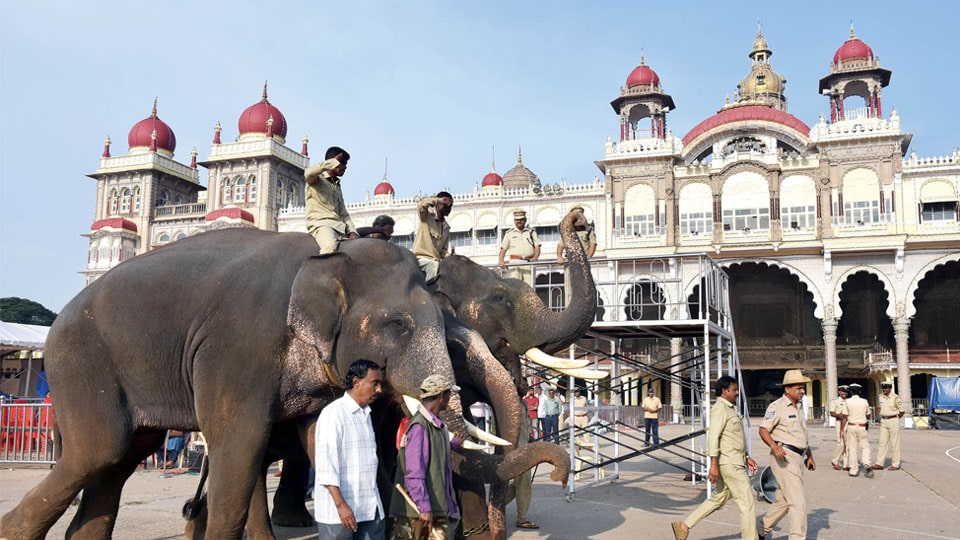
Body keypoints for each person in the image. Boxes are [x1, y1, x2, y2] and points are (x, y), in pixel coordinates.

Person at [671, 376, 758, 540]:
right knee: (747, 504)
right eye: (734, 390)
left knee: (719, 497)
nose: (737, 392)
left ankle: (684, 526)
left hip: (733, 460)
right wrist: (713, 465)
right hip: (729, 463)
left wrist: (746, 457)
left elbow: (732, 439)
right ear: (724, 391)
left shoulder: (729, 409)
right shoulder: (720, 409)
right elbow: (713, 437)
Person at [314, 359, 385, 540]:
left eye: (380, 384)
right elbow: (326, 466)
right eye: (374, 383)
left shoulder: (366, 414)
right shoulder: (333, 414)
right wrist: (341, 505)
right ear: (356, 382)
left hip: (369, 506)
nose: (379, 390)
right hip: (339, 511)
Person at [392, 374, 463, 540]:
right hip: (419, 512)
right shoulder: (419, 427)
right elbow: (414, 471)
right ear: (440, 396)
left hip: (435, 506)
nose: (449, 399)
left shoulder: (435, 424)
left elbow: (431, 454)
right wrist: (423, 507)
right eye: (449, 395)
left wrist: (452, 445)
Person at [758, 369, 816, 540]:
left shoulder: (799, 408)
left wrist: (809, 455)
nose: (802, 391)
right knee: (798, 503)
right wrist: (774, 446)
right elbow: (763, 430)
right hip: (784, 457)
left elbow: (802, 435)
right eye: (799, 388)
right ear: (787, 389)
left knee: (784, 501)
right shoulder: (777, 407)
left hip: (798, 457)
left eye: (803, 388)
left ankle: (760, 530)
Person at [304, 146, 359, 254]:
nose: (345, 167)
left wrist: (352, 231)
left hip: (339, 227)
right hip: (321, 224)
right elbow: (308, 173)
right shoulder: (316, 179)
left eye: (346, 164)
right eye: (342, 162)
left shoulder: (337, 186)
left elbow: (344, 214)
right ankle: (319, 271)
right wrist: (332, 162)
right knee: (330, 246)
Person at [556, 206, 597, 305]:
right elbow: (560, 246)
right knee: (569, 288)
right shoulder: (568, 231)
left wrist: (588, 257)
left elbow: (593, 244)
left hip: (582, 262)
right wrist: (559, 257)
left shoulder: (588, 230)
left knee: (584, 287)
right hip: (570, 262)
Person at [412, 192, 454, 283]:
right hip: (420, 259)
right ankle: (429, 294)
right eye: (445, 205)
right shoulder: (426, 217)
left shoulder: (446, 228)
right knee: (433, 265)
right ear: (438, 205)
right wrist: (438, 199)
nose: (449, 208)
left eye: (450, 206)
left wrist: (452, 257)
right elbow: (421, 205)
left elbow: (443, 251)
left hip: (437, 261)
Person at [498, 211, 540, 282]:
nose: (519, 221)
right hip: (515, 262)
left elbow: (537, 247)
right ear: (514, 221)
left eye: (521, 219)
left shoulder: (531, 232)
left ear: (525, 220)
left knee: (529, 286)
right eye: (517, 220)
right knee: (515, 287)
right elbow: (503, 249)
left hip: (528, 262)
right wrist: (501, 260)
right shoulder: (509, 233)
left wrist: (535, 257)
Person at [843, 383, 874, 478]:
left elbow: (845, 416)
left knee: (852, 448)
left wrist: (842, 429)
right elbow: (868, 414)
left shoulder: (847, 402)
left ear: (850, 392)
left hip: (851, 426)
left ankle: (853, 470)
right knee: (865, 446)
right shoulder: (864, 401)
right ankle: (867, 463)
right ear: (860, 392)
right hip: (862, 426)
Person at [874, 381, 905, 471]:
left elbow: (902, 411)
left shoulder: (896, 398)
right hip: (884, 421)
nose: (884, 389)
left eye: (886, 388)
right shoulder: (881, 397)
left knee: (895, 443)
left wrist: (894, 418)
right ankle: (879, 463)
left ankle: (895, 464)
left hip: (893, 420)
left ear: (890, 388)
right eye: (883, 388)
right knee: (882, 443)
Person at [829, 385, 850, 471]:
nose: (844, 393)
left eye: (846, 391)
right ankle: (835, 461)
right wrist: (839, 415)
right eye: (842, 391)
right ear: (839, 392)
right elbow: (832, 413)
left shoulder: (849, 401)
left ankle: (845, 464)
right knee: (841, 443)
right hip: (839, 422)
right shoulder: (835, 401)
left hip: (849, 422)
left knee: (847, 444)